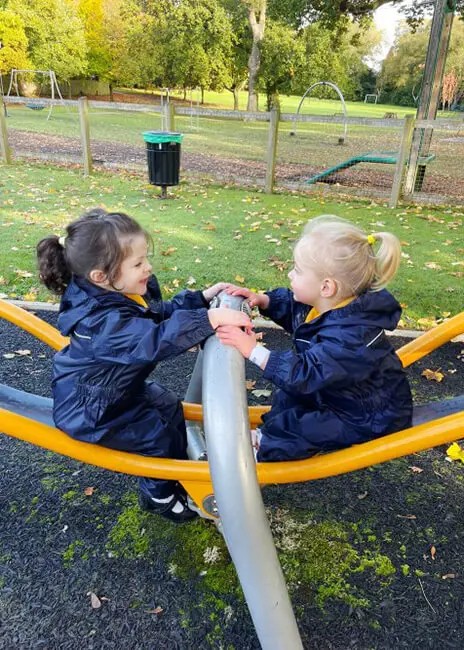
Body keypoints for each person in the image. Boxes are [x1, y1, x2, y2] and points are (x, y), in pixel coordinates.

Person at [37, 208, 251, 522]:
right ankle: (159, 495)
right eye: (138, 263)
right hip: (91, 409)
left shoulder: (123, 291)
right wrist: (210, 319)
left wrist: (201, 301)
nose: (148, 267)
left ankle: (176, 469)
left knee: (170, 407)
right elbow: (154, 339)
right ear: (101, 276)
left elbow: (159, 314)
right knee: (156, 438)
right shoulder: (101, 321)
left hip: (118, 391)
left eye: (145, 258)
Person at [217, 215, 413, 462]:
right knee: (287, 397)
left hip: (366, 416)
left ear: (326, 287)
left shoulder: (351, 336)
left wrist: (253, 350)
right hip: (337, 393)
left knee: (301, 428)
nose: (290, 274)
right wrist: (264, 300)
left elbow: (307, 374)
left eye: (297, 270)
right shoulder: (328, 306)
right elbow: (295, 310)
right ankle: (268, 435)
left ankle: (261, 450)